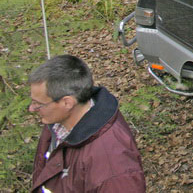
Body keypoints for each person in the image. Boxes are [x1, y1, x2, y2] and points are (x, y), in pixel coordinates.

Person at [28, 54, 145, 192]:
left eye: (39, 104)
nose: (31, 108)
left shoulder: (112, 165)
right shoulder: (56, 123)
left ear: (67, 103)